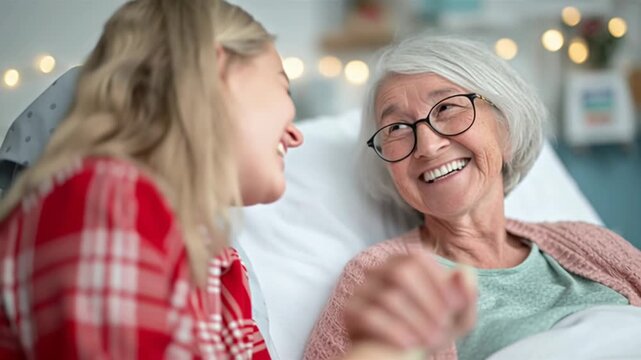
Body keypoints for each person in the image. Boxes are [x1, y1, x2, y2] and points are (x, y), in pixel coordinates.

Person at [0, 1, 440, 359]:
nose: (296, 131)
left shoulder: (219, 263)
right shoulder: (103, 197)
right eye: (282, 88)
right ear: (214, 74)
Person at [304, 35, 641, 360]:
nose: (428, 145)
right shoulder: (378, 278)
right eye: (397, 128)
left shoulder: (591, 242)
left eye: (448, 107)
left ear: (505, 127)